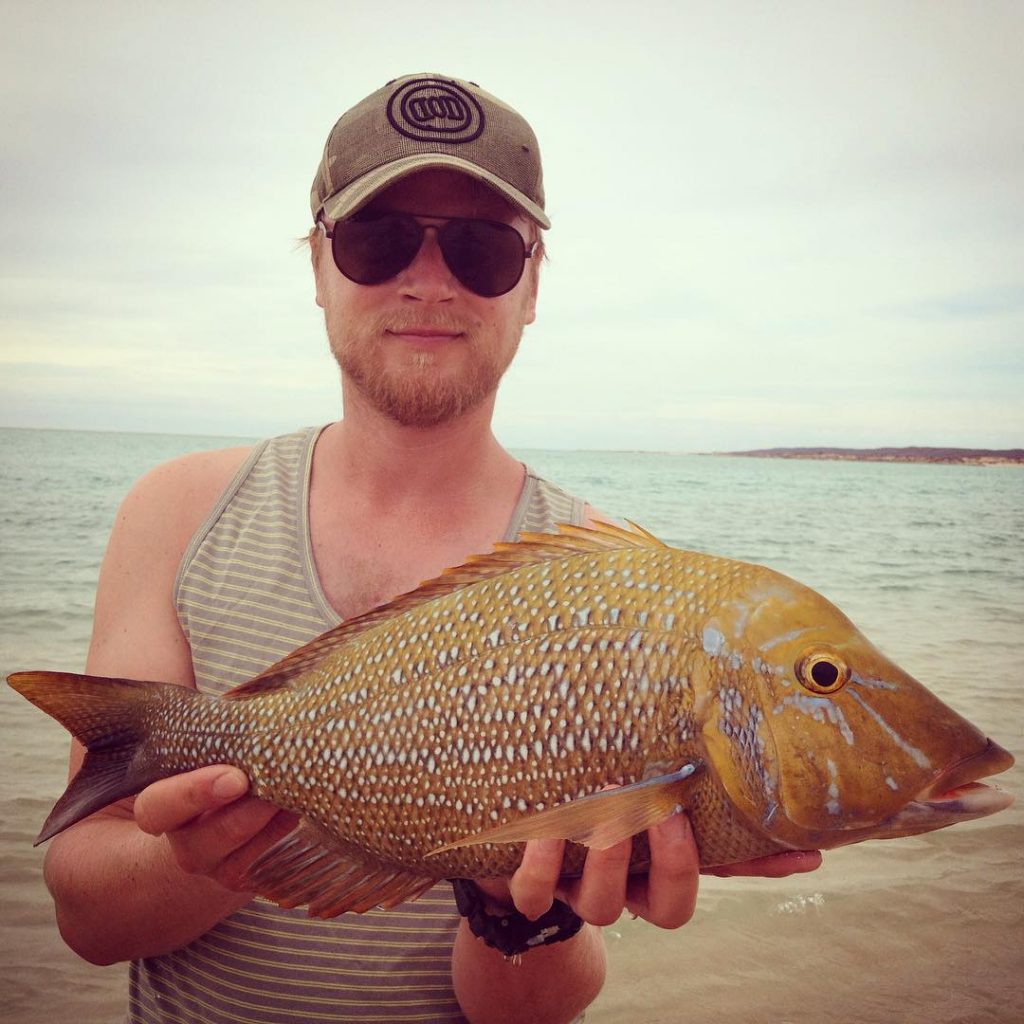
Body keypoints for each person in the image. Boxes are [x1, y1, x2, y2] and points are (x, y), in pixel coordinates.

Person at [42, 74, 821, 1024]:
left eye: (484, 249)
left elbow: (524, 1013)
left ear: (532, 286)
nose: (429, 281)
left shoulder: (602, 580)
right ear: (319, 268)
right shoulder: (176, 511)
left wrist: (516, 912)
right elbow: (86, 916)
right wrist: (215, 847)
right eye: (377, 239)